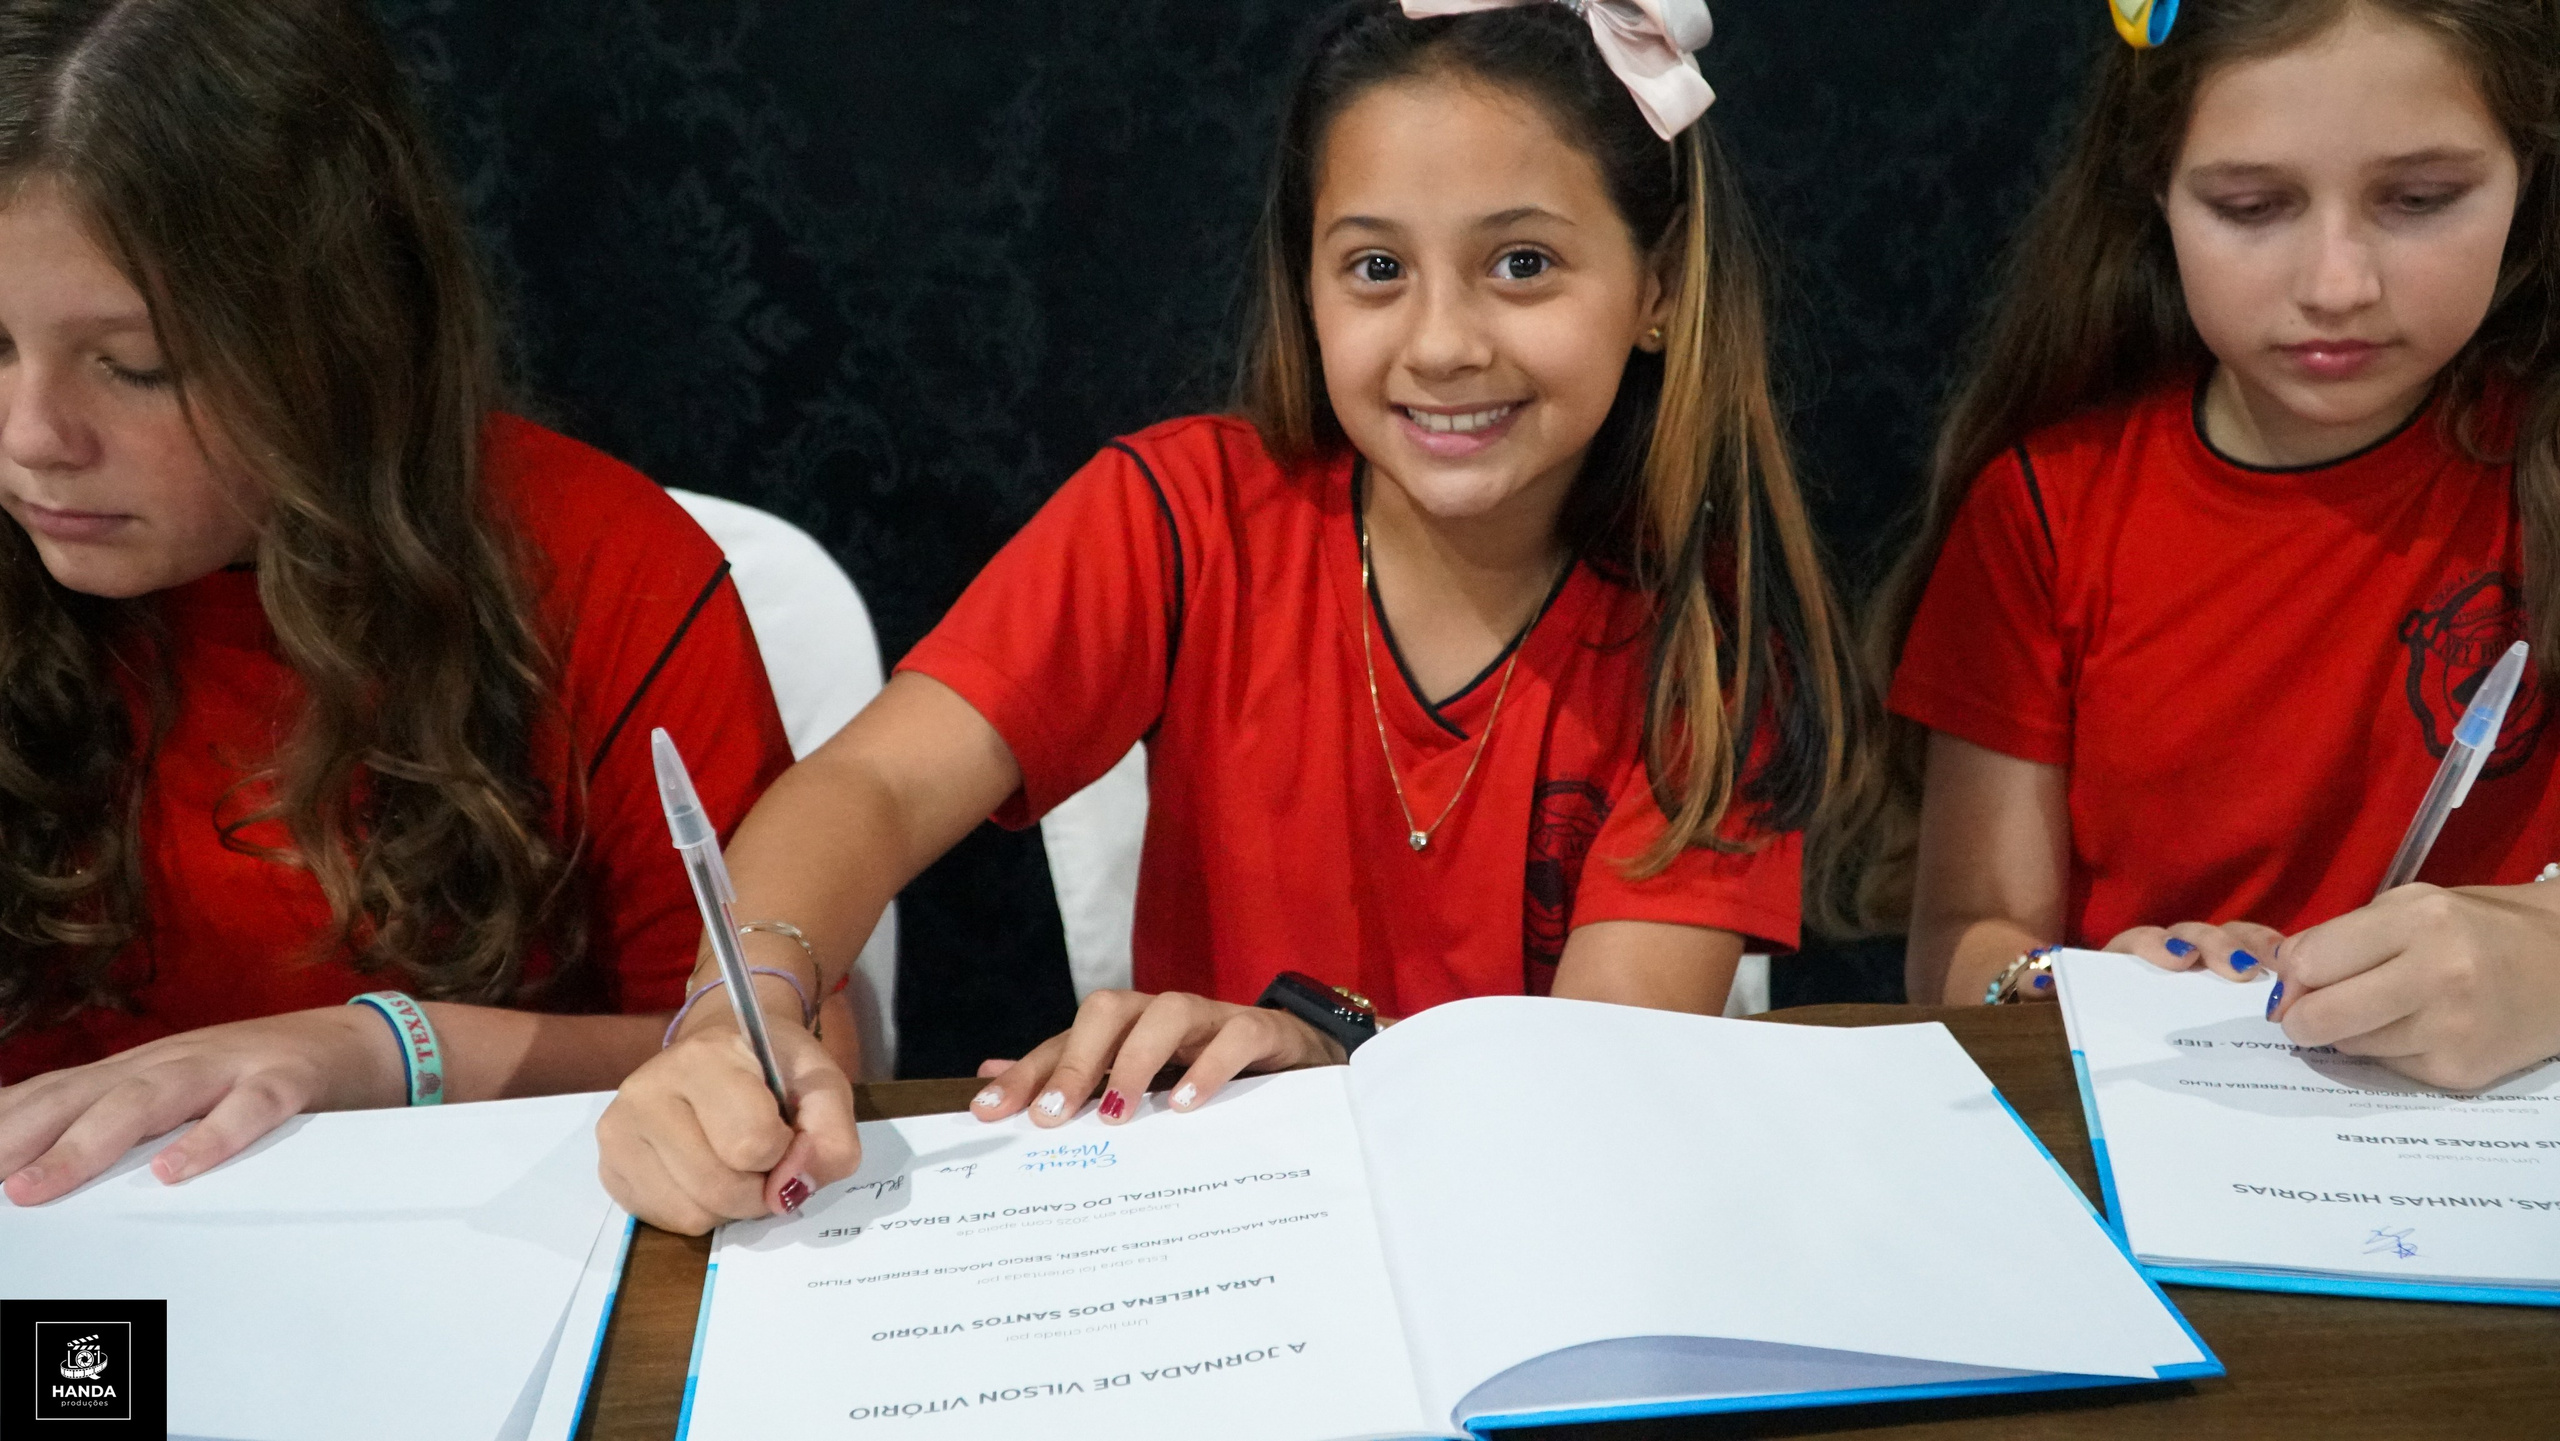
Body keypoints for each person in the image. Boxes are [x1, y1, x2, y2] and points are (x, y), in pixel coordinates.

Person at [600, 0, 1863, 1235]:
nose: (1440, 343)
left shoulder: (1713, 641)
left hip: (1518, 1249)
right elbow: (868, 787)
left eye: (1520, 264)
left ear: (1656, 284)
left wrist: (1326, 1046)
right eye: (1375, 268)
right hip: (1213, 1242)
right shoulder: (1179, 514)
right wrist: (741, 1008)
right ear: (1304, 286)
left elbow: (1582, 1101)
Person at [0, 0, 797, 1206]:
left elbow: (778, 1065)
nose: (33, 439)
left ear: (335, 325)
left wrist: (382, 1048)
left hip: (485, 1256)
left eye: (137, 365)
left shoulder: (598, 570)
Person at [1872, 0, 2560, 1088]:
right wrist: (2068, 983)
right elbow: (1966, 942)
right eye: (2249, 206)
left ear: (2525, 179)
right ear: (2155, 192)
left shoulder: (2536, 471)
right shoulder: (2046, 509)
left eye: (2421, 200)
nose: (2338, 284)